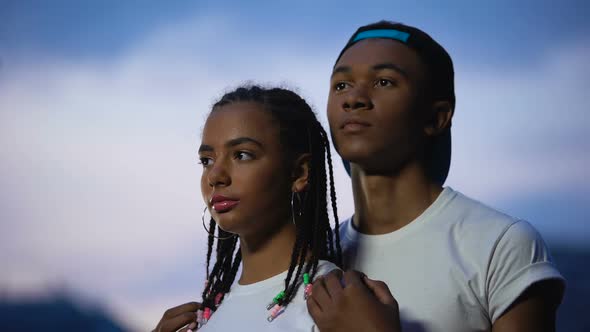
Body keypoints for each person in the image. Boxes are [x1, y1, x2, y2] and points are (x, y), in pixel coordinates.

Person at [306, 21, 565, 332]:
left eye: (385, 81)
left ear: (436, 117)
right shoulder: (318, 255)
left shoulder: (500, 244)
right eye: (341, 85)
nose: (354, 98)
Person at [153, 85, 343, 332]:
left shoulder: (332, 301)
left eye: (242, 155)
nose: (215, 176)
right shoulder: (208, 313)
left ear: (299, 173)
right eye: (207, 160)